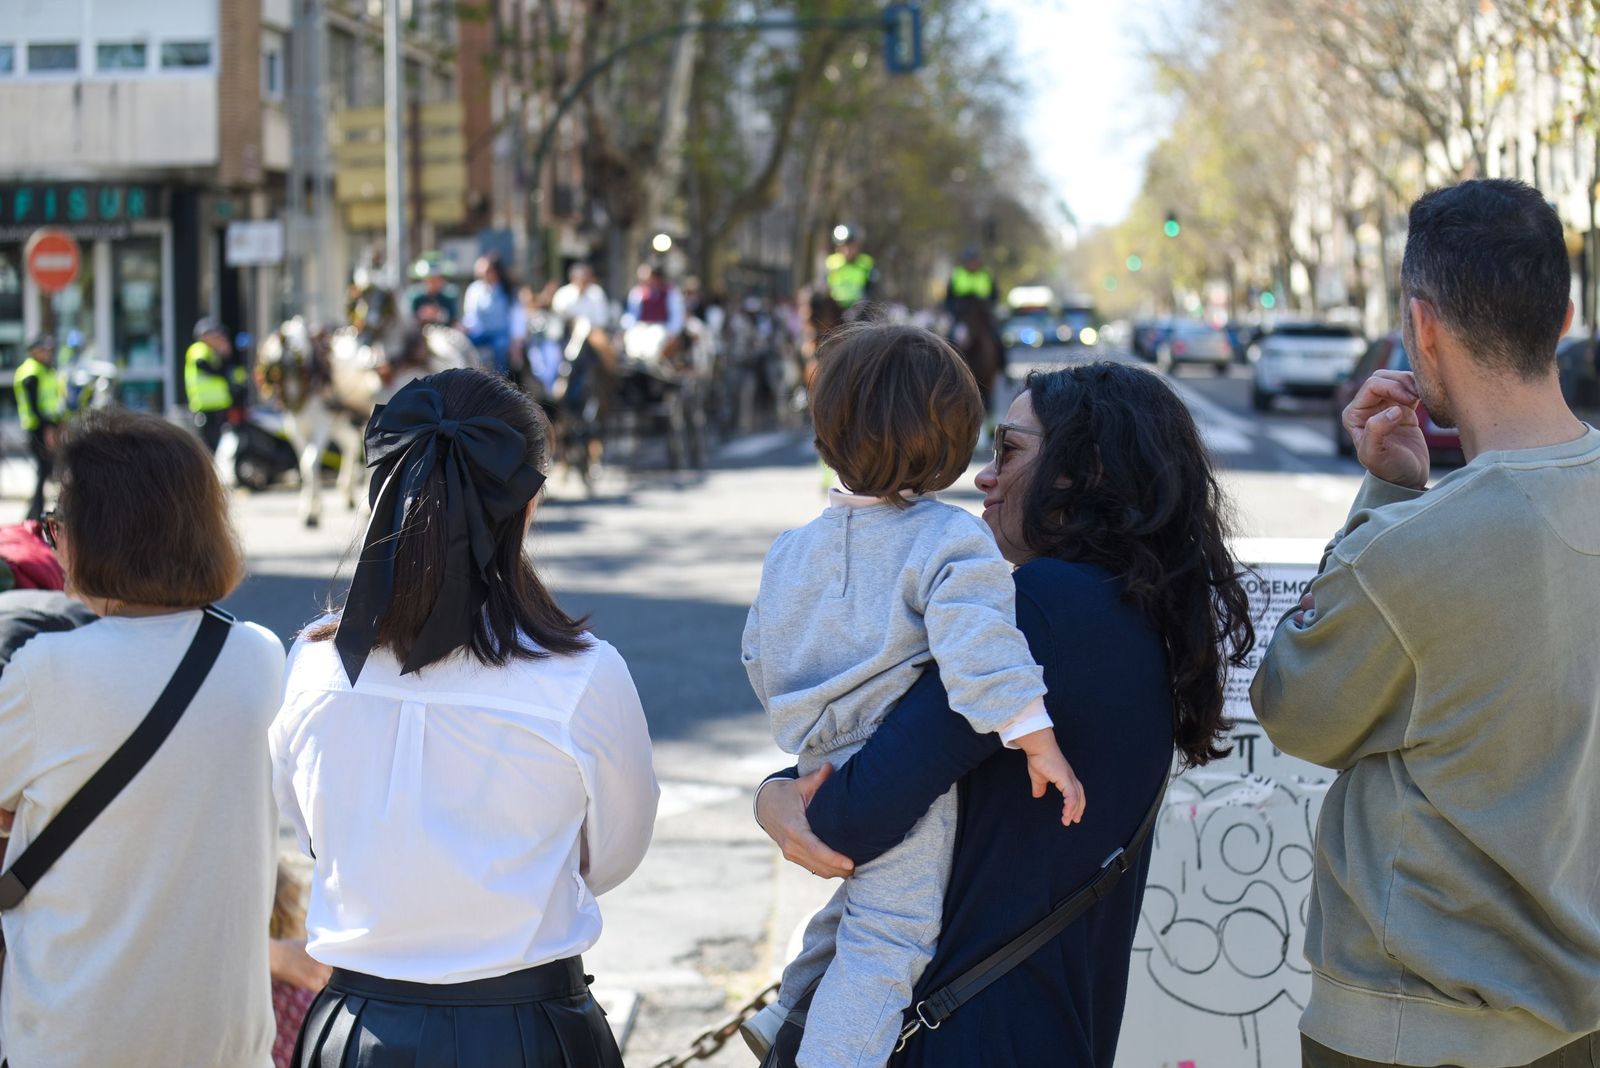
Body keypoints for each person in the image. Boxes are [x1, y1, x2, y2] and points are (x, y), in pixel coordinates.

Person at [756, 361, 1255, 1067]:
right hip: (1051, 1026)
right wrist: (778, 791)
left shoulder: (1040, 609)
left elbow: (850, 816)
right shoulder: (1129, 611)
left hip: (963, 1034)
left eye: (1010, 452)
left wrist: (778, 796)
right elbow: (911, 748)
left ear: (1084, 471)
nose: (984, 479)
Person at [1251, 180, 1600, 1068]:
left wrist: (1384, 496)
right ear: (1562, 318)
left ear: (1423, 326)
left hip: (1418, 1024)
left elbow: (1295, 705)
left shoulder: (1411, 550)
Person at [271, 369, 658, 1068]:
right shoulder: (583, 675)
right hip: (527, 1033)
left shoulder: (313, 666)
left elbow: (314, 837)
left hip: (357, 1032)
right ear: (528, 504)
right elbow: (614, 854)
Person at [739, 323, 1085, 1067]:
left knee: (850, 910)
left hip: (816, 759)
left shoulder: (790, 548)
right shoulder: (949, 540)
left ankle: (786, 1013)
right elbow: (980, 652)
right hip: (898, 776)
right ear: (951, 439)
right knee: (889, 940)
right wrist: (1037, 737)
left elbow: (757, 656)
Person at [0, 410, 287, 1067]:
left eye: (60, 521)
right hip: (226, 1047)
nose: (53, 540)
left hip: (75, 1042)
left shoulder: (46, 673)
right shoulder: (260, 658)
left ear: (102, 535)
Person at [14, 335, 64, 521]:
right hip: (39, 430)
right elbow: (35, 408)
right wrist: (48, 430)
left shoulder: (45, 370)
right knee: (45, 472)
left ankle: (34, 514)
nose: (48, 354)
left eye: (50, 350)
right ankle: (35, 515)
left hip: (49, 427)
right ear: (35, 351)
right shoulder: (31, 372)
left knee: (46, 472)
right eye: (44, 350)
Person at [186, 317, 236, 452]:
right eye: (215, 335)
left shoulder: (212, 352)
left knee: (218, 449)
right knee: (208, 450)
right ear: (204, 336)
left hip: (218, 408)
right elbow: (210, 369)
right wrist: (223, 354)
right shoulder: (198, 349)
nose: (219, 338)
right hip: (205, 409)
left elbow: (226, 373)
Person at [462, 253, 517, 376]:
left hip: (500, 334)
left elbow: (516, 318)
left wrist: (516, 341)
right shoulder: (474, 289)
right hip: (480, 333)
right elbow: (470, 316)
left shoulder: (507, 290)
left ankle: (501, 381)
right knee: (464, 347)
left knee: (500, 348)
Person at [825, 227, 877, 312]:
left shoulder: (866, 263)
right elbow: (824, 285)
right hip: (834, 309)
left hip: (858, 309)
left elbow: (871, 290)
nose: (847, 250)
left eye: (851, 246)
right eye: (843, 246)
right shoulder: (831, 263)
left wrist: (862, 305)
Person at [409, 255, 459, 325]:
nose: (433, 283)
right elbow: (410, 318)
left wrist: (439, 314)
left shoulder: (449, 296)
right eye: (430, 280)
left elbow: (453, 318)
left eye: (437, 279)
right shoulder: (416, 297)